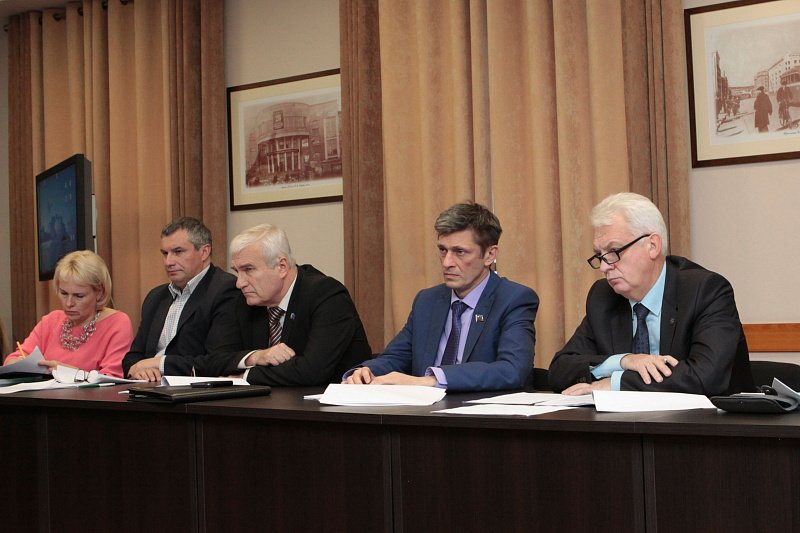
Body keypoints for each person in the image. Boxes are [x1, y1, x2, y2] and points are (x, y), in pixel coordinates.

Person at [548, 192, 755, 396]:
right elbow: (559, 370)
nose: (604, 266)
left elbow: (706, 376)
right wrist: (624, 361)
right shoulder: (603, 297)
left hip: (711, 418)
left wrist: (616, 383)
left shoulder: (705, 290)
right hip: (626, 418)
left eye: (614, 251)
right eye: (599, 255)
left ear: (652, 246)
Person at [344, 202, 539, 392]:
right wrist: (365, 372)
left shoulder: (513, 299)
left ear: (489, 255)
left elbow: (512, 369)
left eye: (460, 252)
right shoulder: (427, 301)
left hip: (481, 411)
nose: (447, 262)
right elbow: (395, 357)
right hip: (425, 410)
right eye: (443, 250)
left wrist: (432, 380)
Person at [196, 224, 372, 385]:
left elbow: (312, 371)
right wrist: (255, 357)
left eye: (248, 270)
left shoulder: (327, 295)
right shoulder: (246, 301)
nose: (239, 283)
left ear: (281, 266)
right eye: (237, 271)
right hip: (269, 403)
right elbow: (213, 362)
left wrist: (245, 376)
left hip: (332, 404)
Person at [122, 217, 243, 380]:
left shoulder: (226, 290)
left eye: (178, 252)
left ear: (204, 252)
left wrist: (159, 364)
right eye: (165, 253)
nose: (168, 262)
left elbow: (218, 361)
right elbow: (132, 357)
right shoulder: (155, 296)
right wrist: (137, 371)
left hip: (193, 391)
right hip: (148, 387)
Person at [4, 250, 132, 377]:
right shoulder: (51, 321)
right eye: (64, 293)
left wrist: (71, 373)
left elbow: (112, 378)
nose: (69, 303)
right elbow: (15, 358)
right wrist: (17, 363)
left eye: (79, 296)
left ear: (99, 293)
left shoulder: (117, 323)